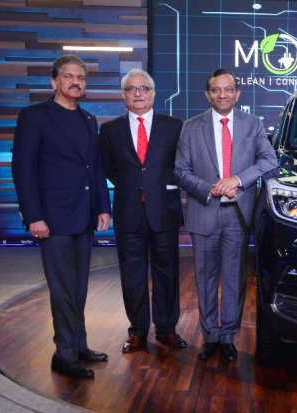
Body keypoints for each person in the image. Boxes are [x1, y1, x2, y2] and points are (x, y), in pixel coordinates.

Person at [11, 54, 111, 379]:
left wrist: (103, 207)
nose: (75, 82)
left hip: (84, 218)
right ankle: (64, 355)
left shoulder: (89, 120)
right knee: (62, 290)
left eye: (80, 77)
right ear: (54, 81)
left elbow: (94, 168)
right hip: (52, 220)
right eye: (68, 76)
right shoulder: (34, 116)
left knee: (78, 288)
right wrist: (33, 217)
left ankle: (79, 346)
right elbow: (23, 170)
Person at [174, 68, 277, 361]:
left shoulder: (253, 124)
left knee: (234, 279)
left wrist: (237, 180)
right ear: (208, 94)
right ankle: (210, 336)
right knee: (205, 278)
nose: (223, 95)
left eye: (228, 89)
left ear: (237, 93)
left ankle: (228, 336)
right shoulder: (190, 127)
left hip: (238, 215)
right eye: (216, 90)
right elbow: (180, 171)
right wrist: (211, 188)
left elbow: (269, 160)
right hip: (204, 209)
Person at [99, 68, 186, 353]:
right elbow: (109, 169)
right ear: (123, 95)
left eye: (144, 88)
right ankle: (137, 330)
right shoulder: (110, 130)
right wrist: (134, 186)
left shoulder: (174, 126)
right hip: (128, 212)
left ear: (153, 93)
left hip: (164, 212)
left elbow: (181, 165)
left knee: (167, 274)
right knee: (132, 276)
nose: (138, 93)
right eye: (131, 89)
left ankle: (166, 328)